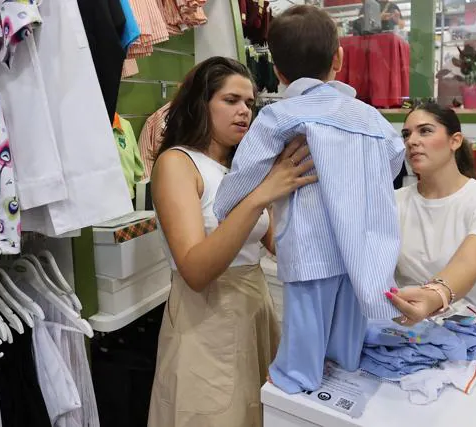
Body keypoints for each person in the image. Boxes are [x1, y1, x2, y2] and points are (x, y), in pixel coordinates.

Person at [213, 5, 405, 395]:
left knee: (305, 322)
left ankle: (297, 377)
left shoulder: (279, 117)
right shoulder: (370, 118)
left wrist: (224, 206)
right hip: (362, 244)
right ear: (339, 57)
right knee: (350, 319)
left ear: (279, 72)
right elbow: (394, 160)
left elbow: (245, 173)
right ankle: (346, 365)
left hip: (309, 242)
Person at [147, 56, 316, 427]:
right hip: (205, 319)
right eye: (231, 100)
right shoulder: (178, 164)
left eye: (250, 104)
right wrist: (259, 196)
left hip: (255, 307)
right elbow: (195, 270)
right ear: (200, 103)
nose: (244, 111)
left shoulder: (243, 170)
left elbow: (278, 245)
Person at [387, 102, 476, 326]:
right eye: (406, 134)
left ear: (454, 140)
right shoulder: (393, 202)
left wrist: (434, 295)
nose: (412, 141)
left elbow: (469, 262)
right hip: (410, 328)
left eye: (425, 131)